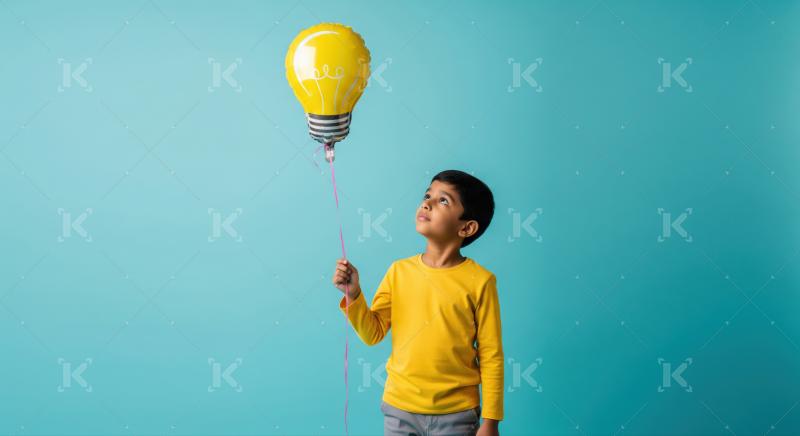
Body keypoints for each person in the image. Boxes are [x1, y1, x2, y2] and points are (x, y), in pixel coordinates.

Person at [333, 169, 503, 436]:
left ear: (466, 227)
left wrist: (491, 422)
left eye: (443, 200)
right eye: (427, 195)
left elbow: (491, 355)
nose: (427, 203)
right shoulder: (398, 272)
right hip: (400, 408)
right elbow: (373, 333)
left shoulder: (481, 281)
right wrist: (354, 295)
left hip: (457, 413)